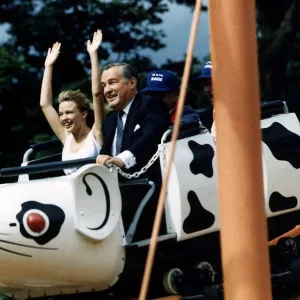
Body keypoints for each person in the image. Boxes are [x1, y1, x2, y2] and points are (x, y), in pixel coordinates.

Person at [40, 30, 105, 175]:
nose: (64, 118)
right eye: (61, 114)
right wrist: (48, 67)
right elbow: (45, 104)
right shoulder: (67, 138)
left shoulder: (95, 134)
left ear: (83, 114)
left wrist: (93, 54)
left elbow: (97, 93)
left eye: (69, 112)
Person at [95, 62, 170, 182]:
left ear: (132, 83)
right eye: (104, 85)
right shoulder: (109, 122)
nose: (107, 90)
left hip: (148, 188)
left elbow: (151, 137)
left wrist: (122, 160)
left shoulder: (151, 105)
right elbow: (104, 156)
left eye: (112, 82)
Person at [193, 61, 216, 141]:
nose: (207, 89)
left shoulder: (249, 114)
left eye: (211, 83)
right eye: (205, 84)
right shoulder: (203, 119)